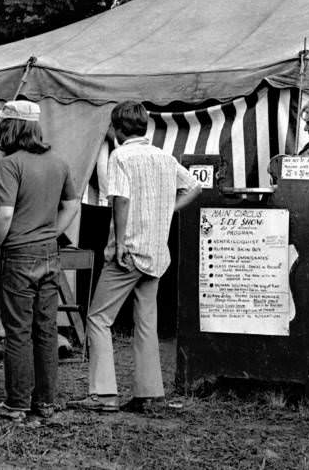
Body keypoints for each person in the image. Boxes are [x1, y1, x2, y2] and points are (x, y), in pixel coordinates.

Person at [69, 101, 199, 413]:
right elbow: (193, 187)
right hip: (156, 252)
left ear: (116, 129)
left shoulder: (120, 156)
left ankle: (103, 394)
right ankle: (150, 394)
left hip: (130, 251)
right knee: (146, 322)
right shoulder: (164, 157)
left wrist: (121, 243)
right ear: (144, 127)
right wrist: (167, 210)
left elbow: (121, 200)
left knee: (99, 319)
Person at [0, 100, 79, 420]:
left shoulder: (10, 165)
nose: (0, 132)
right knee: (45, 329)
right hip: (49, 254)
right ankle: (44, 403)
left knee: (18, 330)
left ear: (12, 128)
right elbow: (72, 205)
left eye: (3, 126)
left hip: (18, 256)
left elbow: (4, 214)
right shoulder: (59, 163)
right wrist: (50, 233)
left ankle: (16, 404)